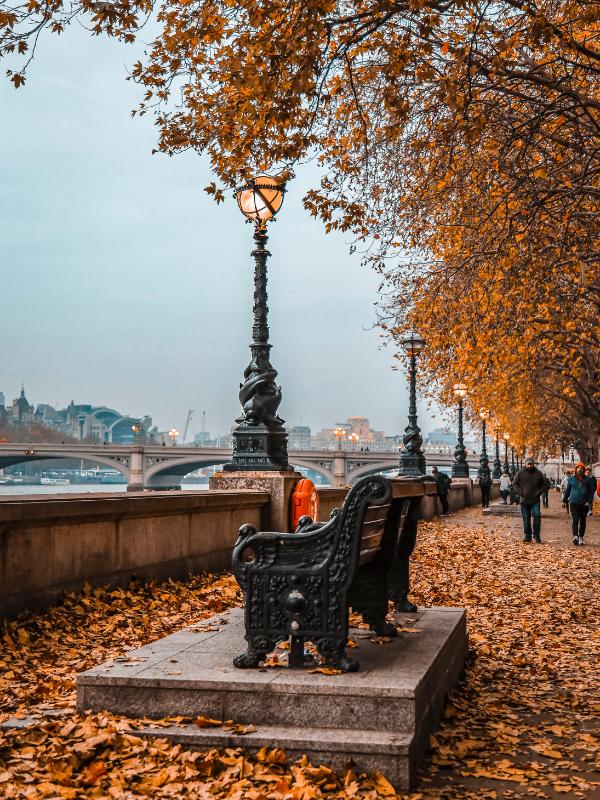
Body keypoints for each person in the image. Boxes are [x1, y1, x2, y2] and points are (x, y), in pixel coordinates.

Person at [513, 457, 546, 543]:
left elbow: (545, 485)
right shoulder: (520, 473)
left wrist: (538, 492)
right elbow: (514, 484)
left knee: (537, 516)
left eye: (531, 463)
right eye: (528, 464)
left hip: (535, 500)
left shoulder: (539, 473)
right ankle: (527, 536)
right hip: (524, 500)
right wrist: (521, 492)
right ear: (525, 464)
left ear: (533, 464)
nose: (529, 465)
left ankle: (536, 535)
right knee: (526, 518)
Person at [563, 463, 593, 545]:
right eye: (578, 468)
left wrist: (589, 502)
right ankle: (575, 536)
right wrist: (564, 500)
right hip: (574, 503)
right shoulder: (571, 479)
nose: (580, 469)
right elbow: (567, 491)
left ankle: (581, 537)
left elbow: (591, 492)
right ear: (575, 469)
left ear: (583, 470)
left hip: (584, 504)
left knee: (583, 521)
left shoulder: (588, 480)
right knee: (575, 520)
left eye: (581, 468)